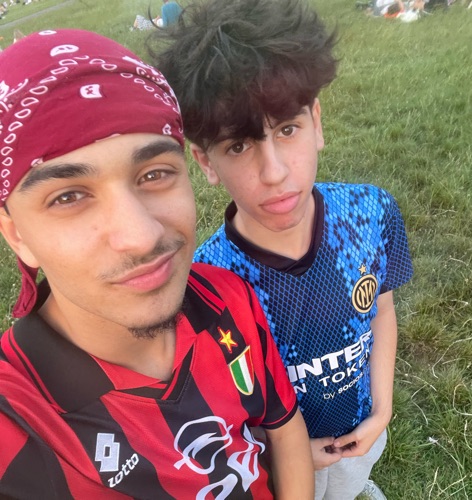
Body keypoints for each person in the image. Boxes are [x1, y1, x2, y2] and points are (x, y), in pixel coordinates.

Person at [0, 28, 314, 498]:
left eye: (154, 174)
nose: (142, 236)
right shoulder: (17, 424)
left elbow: (283, 428)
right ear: (17, 235)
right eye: (68, 197)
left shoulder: (226, 297)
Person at [152, 0, 414, 498]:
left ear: (316, 121)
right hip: (275, 463)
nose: (273, 172)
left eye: (286, 130)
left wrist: (382, 409)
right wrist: (278, 451)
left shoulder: (372, 213)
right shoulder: (205, 283)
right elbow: (220, 399)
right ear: (205, 162)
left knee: (350, 483)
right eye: (239, 146)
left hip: (362, 430)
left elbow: (381, 308)